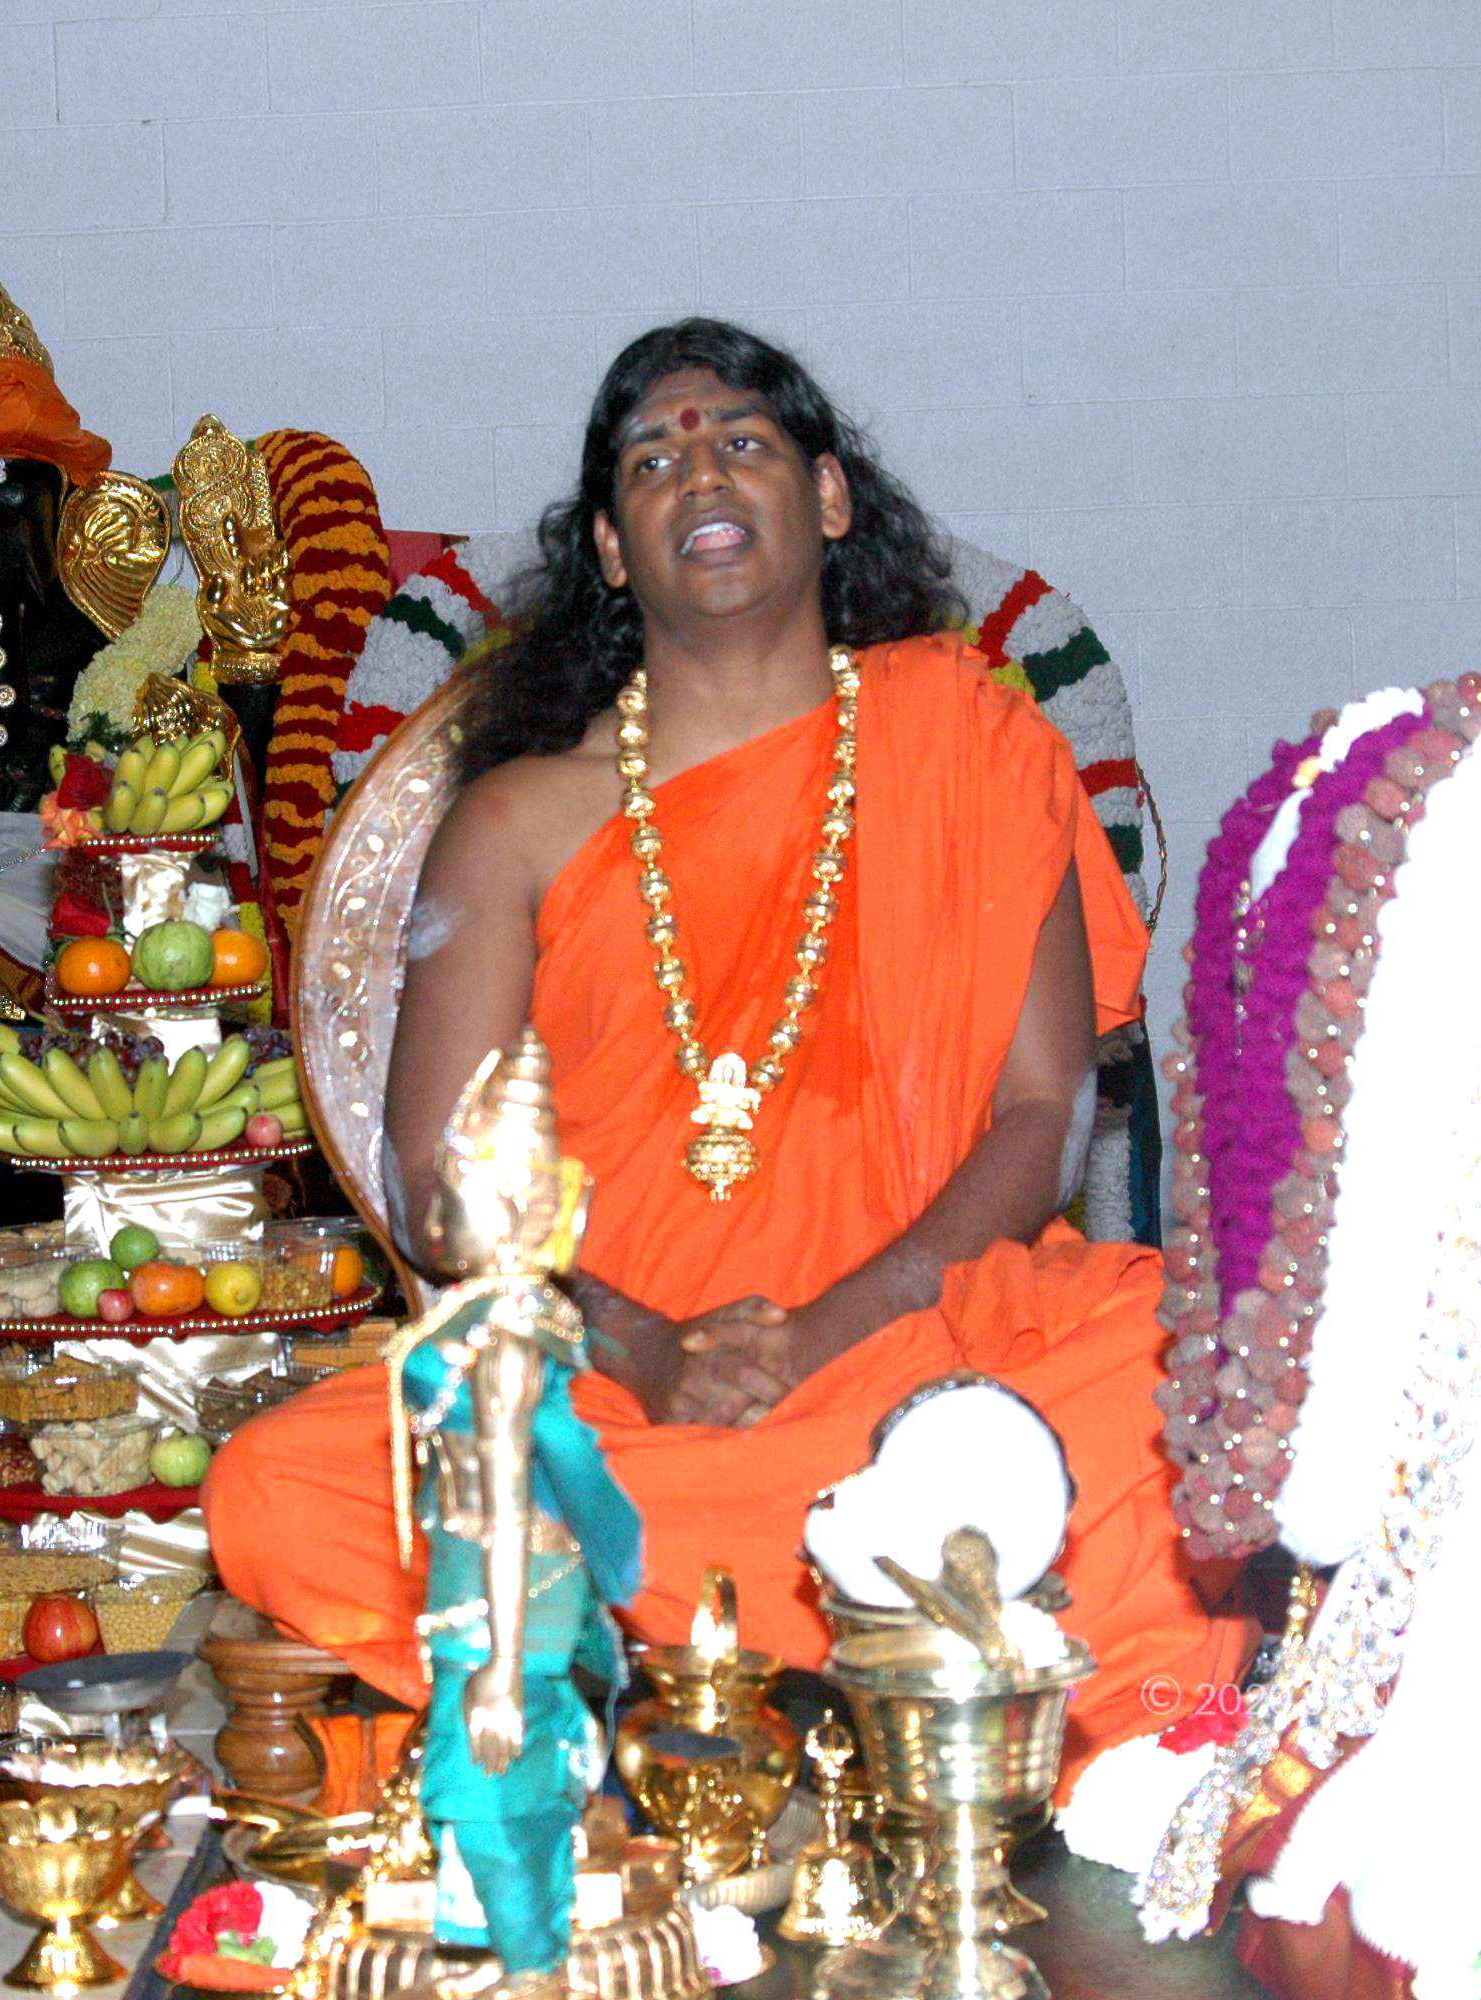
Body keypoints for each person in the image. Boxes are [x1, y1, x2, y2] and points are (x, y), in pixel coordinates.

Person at [206, 319, 1251, 1781]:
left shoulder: (977, 747)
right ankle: (866, 1638)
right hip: (611, 1386)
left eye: (742, 440)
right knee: (279, 1485)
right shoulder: (517, 819)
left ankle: (677, 1663)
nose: (698, 471)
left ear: (828, 497)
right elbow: (443, 1182)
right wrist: (643, 1349)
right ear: (609, 548)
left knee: (1170, 1384)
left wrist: (827, 1332)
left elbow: (1043, 1117)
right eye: (651, 460)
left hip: (916, 1350)